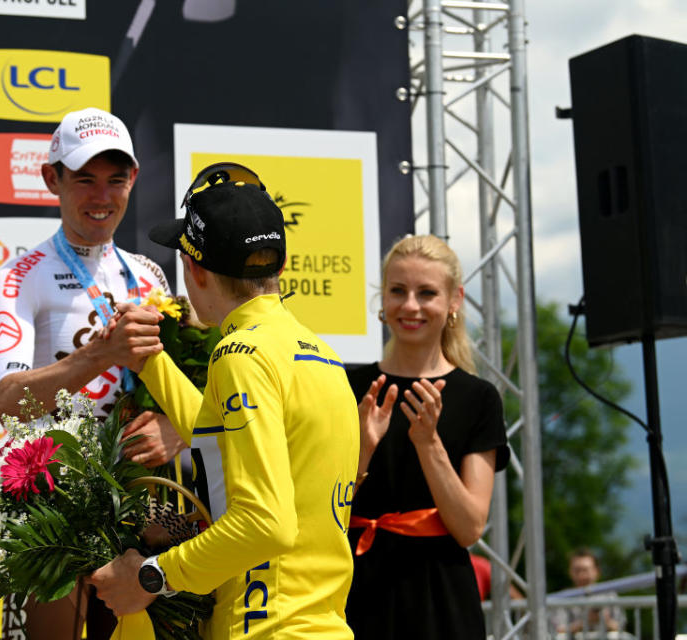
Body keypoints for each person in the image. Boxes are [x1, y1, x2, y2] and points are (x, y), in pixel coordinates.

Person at [87, 164, 361, 638]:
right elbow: (223, 447)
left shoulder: (242, 354)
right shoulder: (317, 351)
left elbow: (266, 525)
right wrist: (152, 361)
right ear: (282, 260)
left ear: (193, 269)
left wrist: (150, 578)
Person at [0, 107, 185, 640]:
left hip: (141, 502)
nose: (102, 197)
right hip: (55, 502)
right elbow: (8, 404)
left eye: (115, 180)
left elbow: (188, 388)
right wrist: (97, 356)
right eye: (85, 180)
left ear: (133, 181)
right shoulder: (18, 276)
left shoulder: (150, 275)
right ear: (52, 178)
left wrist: (177, 426)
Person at [345, 234, 510, 639]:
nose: (411, 305)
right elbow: (319, 509)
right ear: (382, 299)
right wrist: (362, 453)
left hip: (440, 601)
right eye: (398, 290)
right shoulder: (348, 386)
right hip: (353, 588)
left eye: (427, 293)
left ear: (455, 300)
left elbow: (470, 527)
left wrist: (428, 443)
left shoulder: (477, 398)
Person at [551, 548, 625, 635]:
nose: (581, 575)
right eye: (577, 570)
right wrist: (584, 622)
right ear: (570, 572)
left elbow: (621, 627)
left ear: (596, 571)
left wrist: (606, 621)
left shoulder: (610, 596)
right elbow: (558, 630)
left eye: (585, 570)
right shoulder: (563, 597)